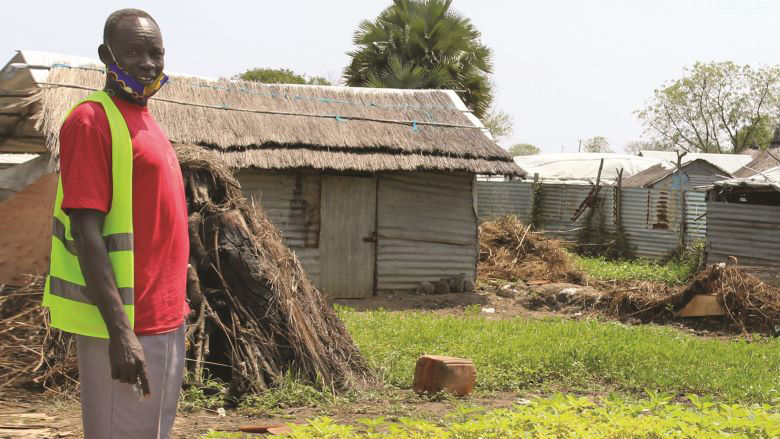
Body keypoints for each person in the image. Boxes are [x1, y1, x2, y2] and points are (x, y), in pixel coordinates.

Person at [42, 8, 190, 438]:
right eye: (134, 53)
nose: (148, 63)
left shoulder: (146, 120)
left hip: (166, 317)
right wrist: (121, 334)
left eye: (156, 53)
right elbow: (85, 233)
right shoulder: (91, 121)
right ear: (107, 56)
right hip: (128, 323)